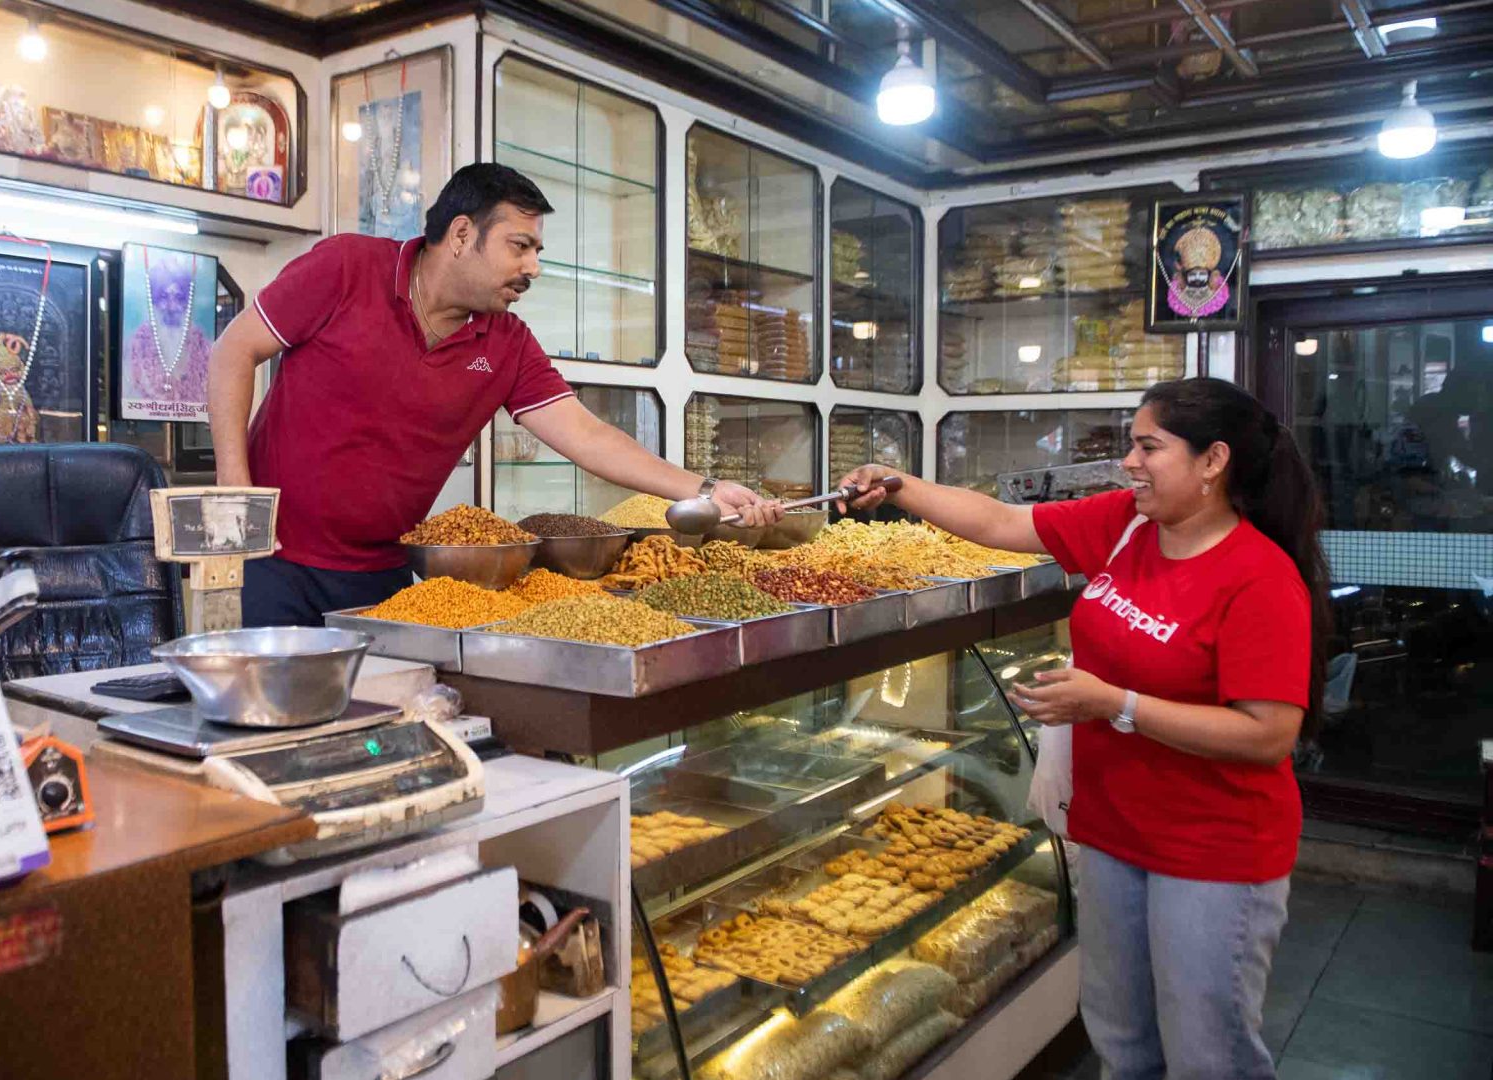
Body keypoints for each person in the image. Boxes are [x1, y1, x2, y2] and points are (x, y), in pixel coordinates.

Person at [838, 377, 1328, 1080]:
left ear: (1213, 461)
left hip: (1212, 851)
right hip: (1112, 833)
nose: (1129, 462)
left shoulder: (1258, 577)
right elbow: (1000, 523)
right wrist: (900, 485)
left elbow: (1266, 734)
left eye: (1149, 446)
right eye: (1132, 444)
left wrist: (1114, 704)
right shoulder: (1128, 526)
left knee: (1207, 1056)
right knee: (1123, 1042)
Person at [208, 163, 779, 626]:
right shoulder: (345, 268)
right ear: (461, 235)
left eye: (537, 251)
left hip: (383, 574)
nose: (532, 266)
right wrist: (236, 491)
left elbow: (587, 435)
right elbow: (233, 352)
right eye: (519, 246)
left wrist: (704, 489)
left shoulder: (506, 342)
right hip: (269, 562)